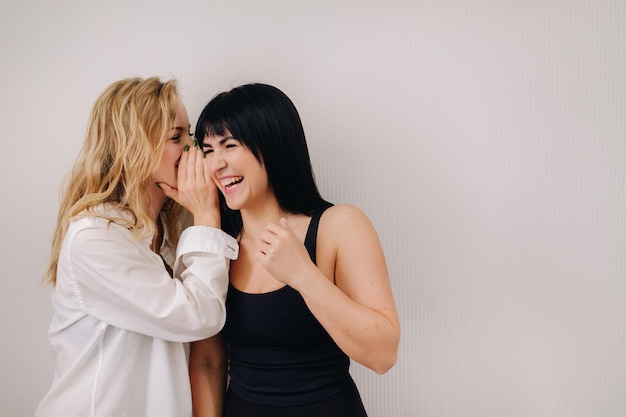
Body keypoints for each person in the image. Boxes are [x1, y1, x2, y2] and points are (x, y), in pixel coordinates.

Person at [188, 83, 400, 417]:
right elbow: (208, 361)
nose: (216, 164)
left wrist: (303, 275)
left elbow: (383, 354)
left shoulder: (338, 226)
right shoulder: (218, 242)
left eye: (229, 145)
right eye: (208, 150)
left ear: (272, 145)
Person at [35, 77, 238, 417]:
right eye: (176, 137)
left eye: (189, 134)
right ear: (133, 147)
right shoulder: (96, 236)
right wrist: (205, 214)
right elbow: (198, 315)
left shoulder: (170, 229)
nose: (193, 148)